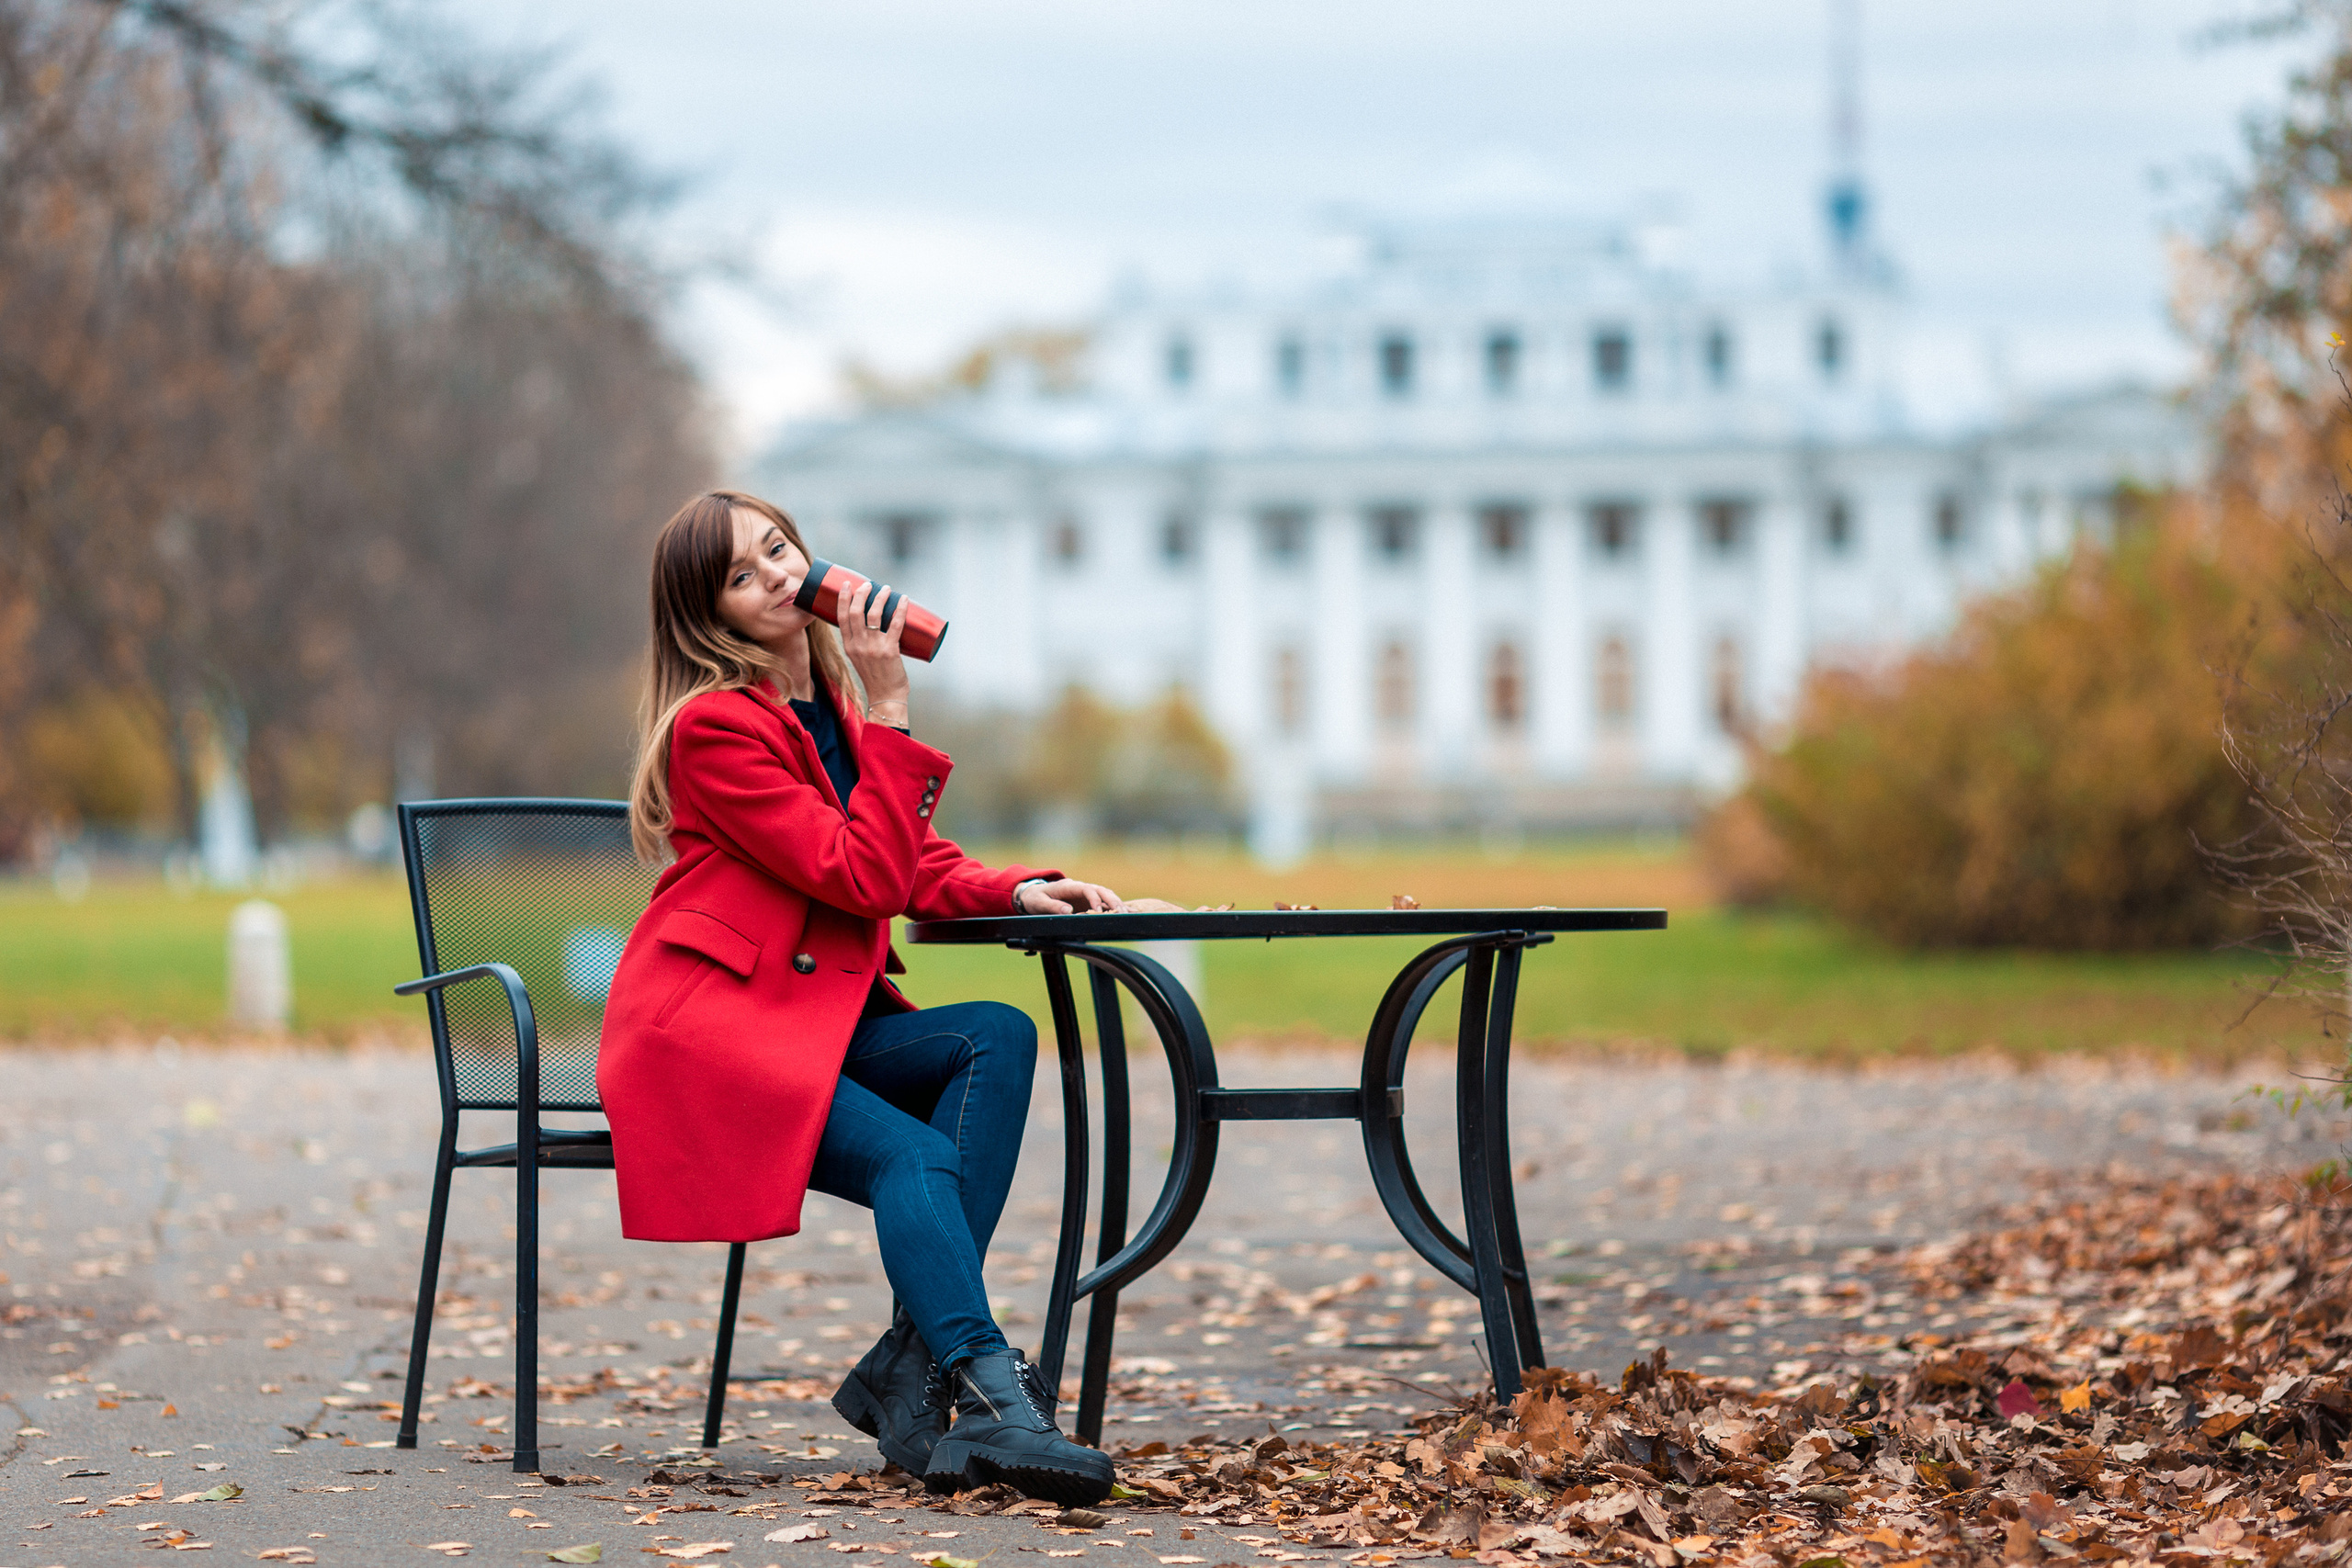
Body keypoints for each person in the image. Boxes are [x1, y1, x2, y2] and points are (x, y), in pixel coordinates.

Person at [599, 489, 1128, 1505]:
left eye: (778, 549)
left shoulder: (822, 710)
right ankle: (995, 1402)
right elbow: (856, 876)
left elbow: (906, 859)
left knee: (996, 1038)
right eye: (741, 578)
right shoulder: (714, 729)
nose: (777, 578)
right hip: (705, 1033)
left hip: (803, 1022)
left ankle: (906, 1367)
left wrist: (1010, 888)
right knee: (912, 1152)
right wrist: (892, 712)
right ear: (709, 617)